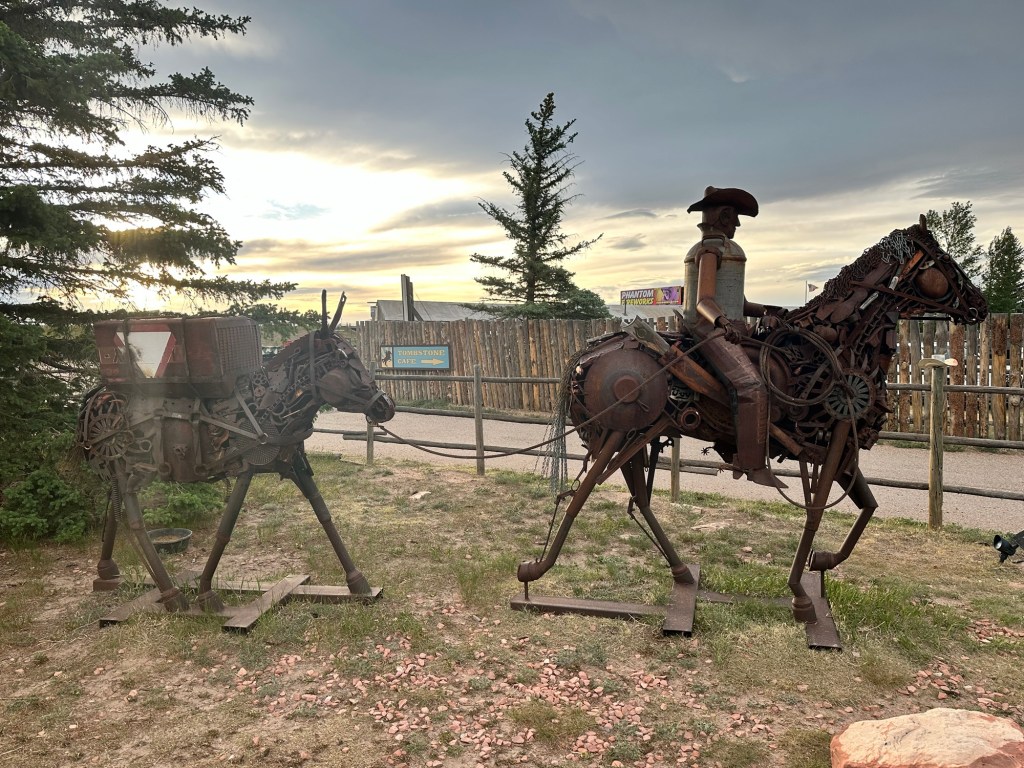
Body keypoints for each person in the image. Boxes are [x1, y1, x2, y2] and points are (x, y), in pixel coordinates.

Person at [682, 186, 785, 488]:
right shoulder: (711, 250)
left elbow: (734, 300)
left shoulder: (723, 249)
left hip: (722, 325)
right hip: (708, 330)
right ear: (723, 217)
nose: (738, 224)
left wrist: (765, 308)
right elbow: (703, 301)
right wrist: (722, 322)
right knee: (752, 387)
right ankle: (752, 464)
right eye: (735, 217)